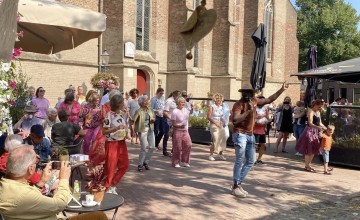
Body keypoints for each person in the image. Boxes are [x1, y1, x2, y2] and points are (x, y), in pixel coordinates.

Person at [0, 147, 108, 220]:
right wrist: (64, 179)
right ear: (30, 169)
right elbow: (60, 204)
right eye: (35, 164)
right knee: (100, 216)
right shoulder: (22, 195)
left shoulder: (7, 185)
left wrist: (41, 182)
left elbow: (29, 198)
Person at [230, 82, 288, 198]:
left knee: (251, 161)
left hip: (250, 135)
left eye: (249, 93)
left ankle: (238, 183)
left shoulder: (254, 100)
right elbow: (235, 120)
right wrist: (248, 111)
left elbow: (269, 100)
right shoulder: (238, 104)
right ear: (242, 94)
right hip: (240, 134)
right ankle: (236, 186)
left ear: (252, 93)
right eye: (245, 93)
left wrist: (282, 89)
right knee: (239, 160)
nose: (247, 95)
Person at [102, 94, 129, 195]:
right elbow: (104, 132)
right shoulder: (108, 115)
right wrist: (115, 129)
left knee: (124, 165)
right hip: (112, 143)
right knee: (111, 166)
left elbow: (123, 126)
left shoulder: (122, 114)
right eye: (122, 103)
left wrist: (126, 133)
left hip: (121, 142)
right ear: (118, 104)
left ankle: (112, 184)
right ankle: (107, 187)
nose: (124, 104)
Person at [295, 99, 327, 173]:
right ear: (315, 105)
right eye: (319, 107)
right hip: (309, 131)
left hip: (315, 131)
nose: (320, 108)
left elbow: (320, 123)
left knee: (314, 148)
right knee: (308, 149)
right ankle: (307, 166)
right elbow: (310, 123)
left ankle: (309, 165)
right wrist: (318, 127)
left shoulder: (318, 112)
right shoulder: (311, 112)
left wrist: (326, 128)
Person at [133, 95, 156, 171]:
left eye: (147, 100)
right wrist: (134, 131)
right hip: (142, 130)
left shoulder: (150, 110)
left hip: (150, 129)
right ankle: (140, 164)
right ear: (141, 102)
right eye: (145, 101)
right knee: (143, 148)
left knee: (152, 146)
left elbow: (154, 117)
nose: (147, 102)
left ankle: (146, 162)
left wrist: (153, 119)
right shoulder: (139, 111)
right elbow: (133, 120)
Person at [171, 97, 192, 168]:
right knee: (177, 147)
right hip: (177, 131)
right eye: (181, 102)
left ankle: (185, 161)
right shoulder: (174, 111)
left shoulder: (185, 110)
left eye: (184, 102)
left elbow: (188, 117)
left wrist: (191, 109)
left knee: (188, 144)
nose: (183, 104)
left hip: (185, 130)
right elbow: (173, 124)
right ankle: (176, 162)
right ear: (178, 103)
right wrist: (179, 125)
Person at [207, 93, 227, 161]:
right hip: (214, 125)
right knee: (215, 139)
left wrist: (223, 121)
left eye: (220, 99)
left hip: (220, 124)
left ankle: (220, 154)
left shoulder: (222, 107)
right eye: (218, 99)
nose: (219, 100)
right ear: (215, 100)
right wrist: (215, 123)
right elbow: (208, 117)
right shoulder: (212, 106)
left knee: (222, 139)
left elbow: (221, 116)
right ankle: (211, 155)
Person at [163, 90, 181, 156]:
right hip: (168, 120)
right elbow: (165, 112)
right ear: (174, 95)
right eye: (178, 96)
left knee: (175, 135)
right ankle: (164, 151)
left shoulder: (177, 102)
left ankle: (173, 151)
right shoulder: (169, 101)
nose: (179, 97)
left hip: (175, 120)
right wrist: (171, 118)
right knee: (167, 135)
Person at [253, 96, 270, 165]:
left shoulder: (265, 110)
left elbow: (268, 118)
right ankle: (253, 159)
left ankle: (259, 159)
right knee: (254, 145)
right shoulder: (254, 108)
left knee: (263, 145)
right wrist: (261, 116)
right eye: (260, 101)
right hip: (254, 130)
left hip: (262, 130)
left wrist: (267, 122)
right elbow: (253, 117)